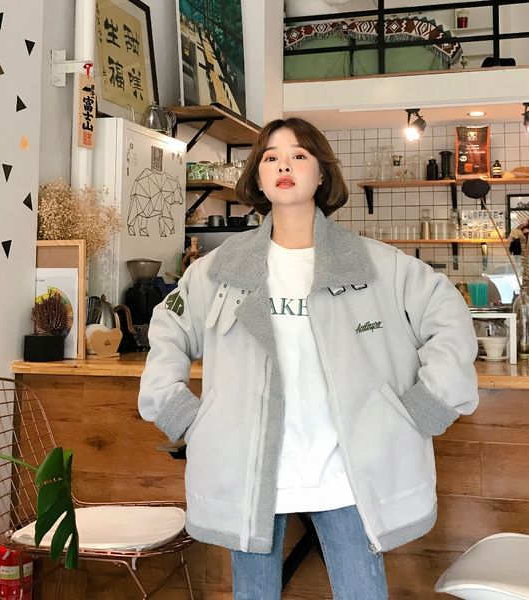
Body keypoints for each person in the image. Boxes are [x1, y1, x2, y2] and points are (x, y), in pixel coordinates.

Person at [138, 117, 479, 599]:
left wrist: (426, 409)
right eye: (271, 157)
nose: (284, 166)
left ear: (321, 174)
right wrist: (185, 418)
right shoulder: (217, 270)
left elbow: (449, 316)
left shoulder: (376, 263)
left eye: (299, 155)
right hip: (248, 469)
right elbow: (167, 331)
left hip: (347, 471)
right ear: (258, 177)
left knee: (363, 593)